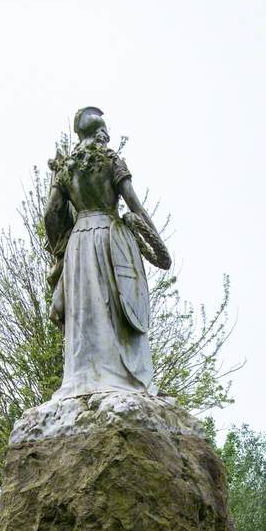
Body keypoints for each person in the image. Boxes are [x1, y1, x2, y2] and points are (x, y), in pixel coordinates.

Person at [43, 106, 171, 397]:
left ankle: (87, 377)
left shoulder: (66, 167)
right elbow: (134, 204)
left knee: (86, 312)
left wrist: (60, 247)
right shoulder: (110, 158)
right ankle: (125, 380)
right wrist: (155, 240)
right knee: (113, 309)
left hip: (79, 242)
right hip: (111, 238)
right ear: (101, 132)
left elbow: (51, 213)